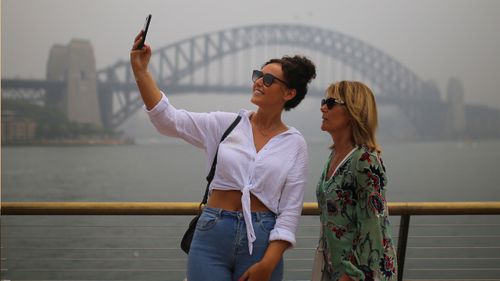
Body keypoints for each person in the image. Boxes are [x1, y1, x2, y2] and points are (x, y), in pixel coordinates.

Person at [130, 31, 316, 281]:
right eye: (258, 75)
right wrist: (141, 71)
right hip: (212, 235)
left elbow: (290, 212)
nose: (259, 81)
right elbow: (168, 120)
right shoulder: (225, 124)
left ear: (289, 94)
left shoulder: (295, 144)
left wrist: (268, 264)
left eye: (269, 79)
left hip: (261, 243)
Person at [315, 81, 397, 280]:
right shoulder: (335, 156)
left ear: (353, 111)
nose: (323, 107)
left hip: (359, 275)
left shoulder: (365, 160)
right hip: (336, 269)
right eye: (324, 101)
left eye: (331, 102)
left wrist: (351, 276)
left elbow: (373, 228)